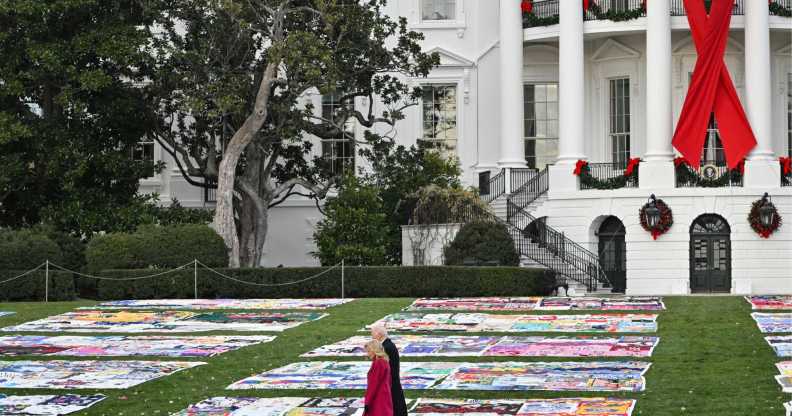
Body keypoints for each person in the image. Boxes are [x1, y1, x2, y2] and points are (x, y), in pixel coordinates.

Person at [371, 324, 408, 416]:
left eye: (372, 332)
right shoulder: (388, 344)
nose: (371, 335)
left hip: (389, 379)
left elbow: (383, 366)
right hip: (392, 378)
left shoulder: (385, 347)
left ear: (379, 334)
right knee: (396, 400)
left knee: (393, 401)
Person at [363, 339, 393, 416]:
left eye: (369, 351)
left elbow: (373, 384)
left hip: (378, 397)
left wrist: (367, 402)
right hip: (384, 394)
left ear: (374, 350)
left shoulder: (378, 363)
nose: (367, 354)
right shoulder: (384, 361)